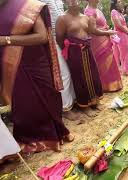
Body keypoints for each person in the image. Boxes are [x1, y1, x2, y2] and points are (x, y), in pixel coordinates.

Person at [0, 0, 73, 153]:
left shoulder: (28, 6)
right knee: (23, 105)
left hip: (36, 63)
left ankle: (55, 135)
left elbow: (42, 36)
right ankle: (29, 141)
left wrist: (7, 40)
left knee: (48, 97)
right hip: (12, 67)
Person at [56, 0, 115, 116]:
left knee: (93, 76)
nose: (72, 1)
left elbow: (90, 32)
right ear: (65, 1)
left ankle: (94, 102)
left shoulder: (85, 17)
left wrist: (107, 31)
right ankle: (84, 106)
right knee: (80, 78)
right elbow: (59, 39)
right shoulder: (62, 19)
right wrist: (72, 48)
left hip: (87, 50)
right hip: (74, 53)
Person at [39, 0, 79, 120]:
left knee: (71, 72)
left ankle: (73, 102)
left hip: (66, 38)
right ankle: (66, 109)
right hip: (53, 40)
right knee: (64, 75)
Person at [84, 0, 123, 92]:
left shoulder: (97, 10)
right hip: (98, 41)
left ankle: (113, 84)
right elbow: (92, 30)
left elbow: (102, 25)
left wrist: (108, 31)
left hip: (105, 38)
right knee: (102, 63)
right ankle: (105, 86)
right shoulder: (89, 11)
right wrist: (108, 32)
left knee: (109, 61)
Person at [111, 0, 128, 75]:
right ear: (115, 4)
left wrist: (127, 32)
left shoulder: (120, 13)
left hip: (124, 35)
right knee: (123, 53)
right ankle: (126, 70)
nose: (121, 3)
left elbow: (124, 25)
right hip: (119, 35)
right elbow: (118, 25)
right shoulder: (113, 12)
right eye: (119, 2)